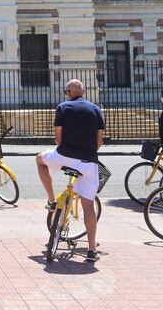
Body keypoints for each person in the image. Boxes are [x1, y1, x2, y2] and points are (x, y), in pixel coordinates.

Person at [36, 79, 105, 262]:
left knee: (39, 161)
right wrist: (86, 153)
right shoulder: (96, 109)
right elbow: (100, 142)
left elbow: (58, 138)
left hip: (64, 155)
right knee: (88, 205)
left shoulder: (63, 107)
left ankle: (51, 200)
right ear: (84, 92)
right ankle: (91, 249)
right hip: (88, 161)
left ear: (68, 92)